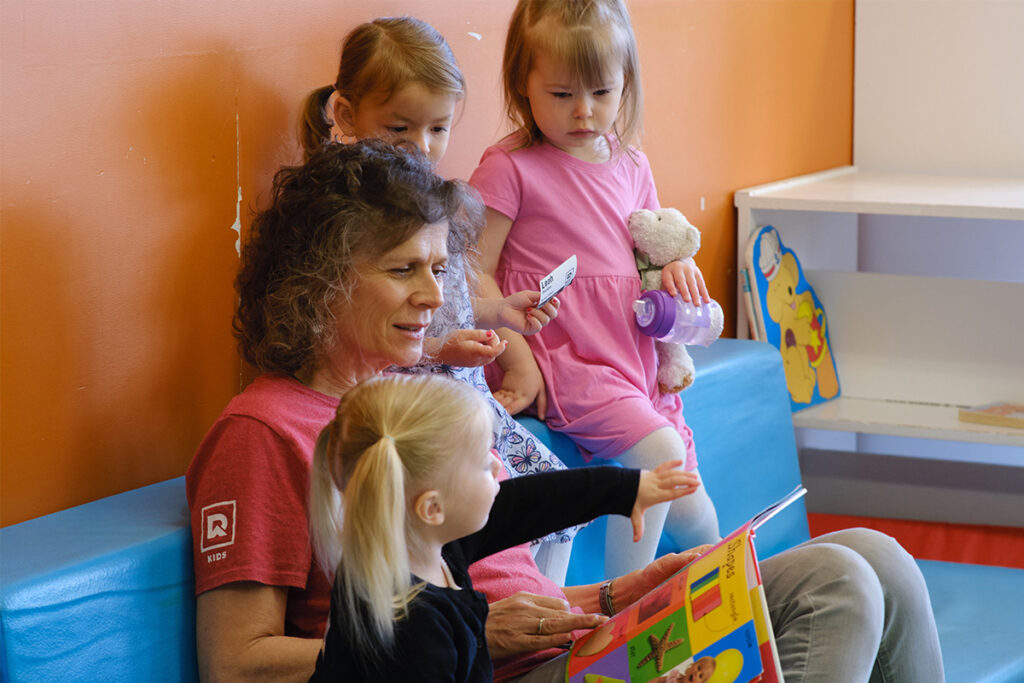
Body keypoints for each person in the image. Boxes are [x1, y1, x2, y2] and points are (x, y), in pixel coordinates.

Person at [299, 15, 579, 583]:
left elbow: (448, 298)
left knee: (556, 505)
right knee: (497, 518)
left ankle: (542, 596)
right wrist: (442, 349)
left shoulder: (436, 200)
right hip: (414, 408)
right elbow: (364, 336)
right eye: (399, 128)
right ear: (346, 115)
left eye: (438, 128)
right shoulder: (346, 212)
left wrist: (500, 313)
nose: (421, 147)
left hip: (467, 398)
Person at [468, 0, 719, 578]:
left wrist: (678, 267)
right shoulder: (510, 166)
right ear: (522, 82)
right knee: (661, 457)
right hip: (570, 359)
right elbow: (474, 271)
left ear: (625, 82)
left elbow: (653, 250)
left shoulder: (631, 163)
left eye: (602, 92)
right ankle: (619, 603)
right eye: (561, 94)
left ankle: (727, 608)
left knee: (695, 513)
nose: (583, 111)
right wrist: (519, 359)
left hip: (635, 360)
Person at [306, 373, 699, 682]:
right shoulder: (414, 633)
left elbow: (526, 504)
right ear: (432, 507)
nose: (498, 466)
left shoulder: (428, 545)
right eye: (483, 463)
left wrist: (628, 489)